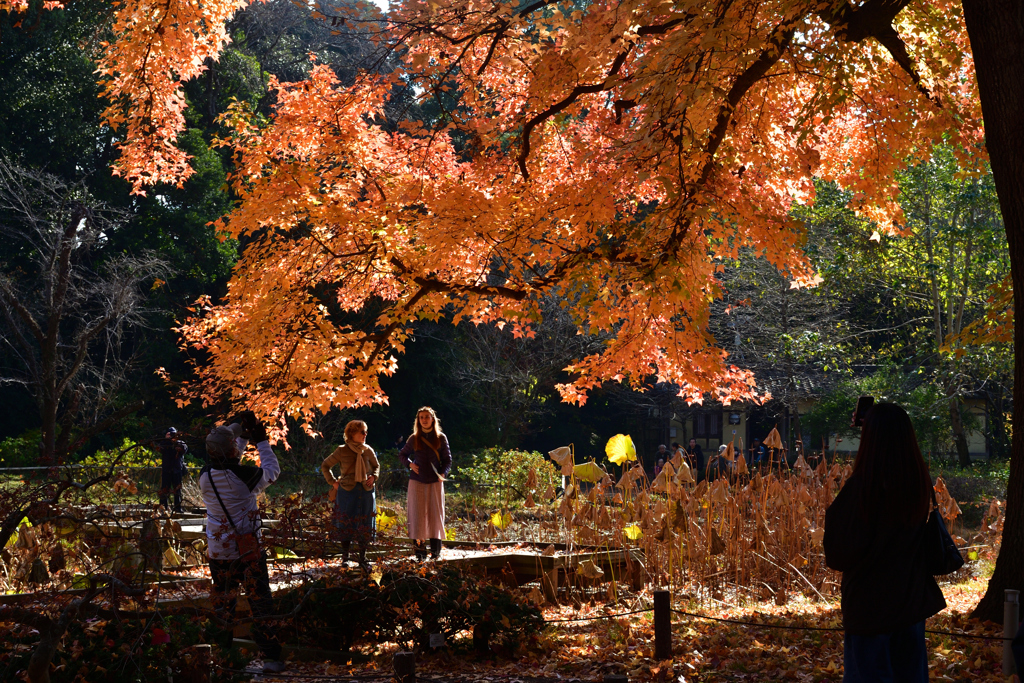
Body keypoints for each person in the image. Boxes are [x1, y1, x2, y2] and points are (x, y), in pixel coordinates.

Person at [823, 403, 945, 683]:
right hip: (911, 601)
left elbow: (839, 554)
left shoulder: (863, 488)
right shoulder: (918, 482)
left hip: (871, 607)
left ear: (871, 439)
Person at [199, 412, 285, 674]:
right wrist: (261, 441)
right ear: (232, 449)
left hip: (219, 550)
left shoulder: (206, 475)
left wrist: (242, 432)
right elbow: (272, 471)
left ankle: (223, 659)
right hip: (247, 551)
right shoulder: (245, 478)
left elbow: (227, 451)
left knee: (224, 604)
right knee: (261, 603)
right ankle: (271, 658)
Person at [320, 420, 380, 568]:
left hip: (366, 491)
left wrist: (374, 476)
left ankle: (362, 558)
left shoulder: (368, 450)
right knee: (346, 524)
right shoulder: (342, 450)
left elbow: (376, 466)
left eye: (366, 431)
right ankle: (345, 557)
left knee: (365, 524)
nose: (365, 434)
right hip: (347, 492)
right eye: (361, 432)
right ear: (351, 433)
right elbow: (325, 466)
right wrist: (333, 482)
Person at [399, 407, 451, 561]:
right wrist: (410, 464)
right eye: (421, 417)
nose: (424, 420)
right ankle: (420, 553)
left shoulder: (441, 438)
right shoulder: (413, 438)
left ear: (432, 419)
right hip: (417, 481)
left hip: (435, 481)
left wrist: (443, 473)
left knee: (436, 515)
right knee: (417, 516)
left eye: (427, 417)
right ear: (418, 420)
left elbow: (447, 459)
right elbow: (402, 455)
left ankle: (435, 553)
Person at [158, 427, 188, 513]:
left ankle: (178, 508)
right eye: (169, 434)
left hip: (176, 470)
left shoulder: (180, 443)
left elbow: (184, 449)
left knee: (177, 490)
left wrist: (176, 442)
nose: (171, 436)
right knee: (164, 489)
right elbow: (160, 449)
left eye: (173, 434)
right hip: (166, 470)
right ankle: (163, 508)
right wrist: (166, 440)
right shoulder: (164, 444)